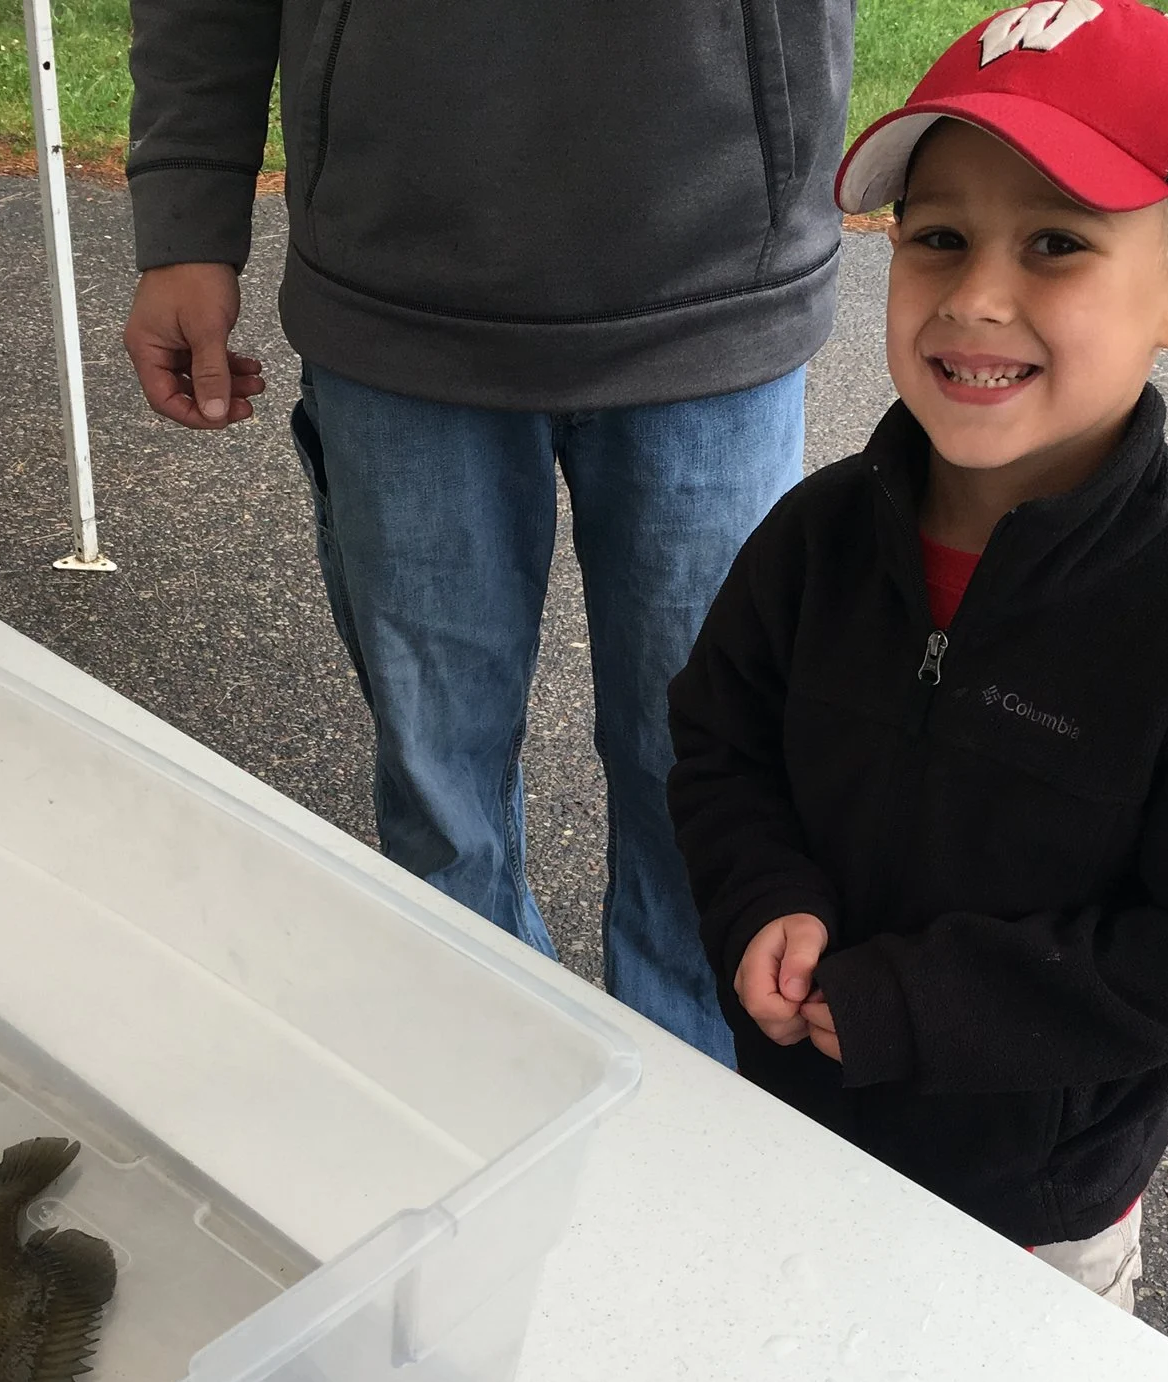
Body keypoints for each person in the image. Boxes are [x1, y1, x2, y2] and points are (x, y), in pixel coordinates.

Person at [665, 0, 1168, 1311]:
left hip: (1032, 1215)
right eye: (936, 237)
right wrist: (762, 895)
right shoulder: (814, 542)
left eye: (1055, 243)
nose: (975, 297)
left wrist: (932, 1005)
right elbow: (719, 743)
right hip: (790, 1135)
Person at [119, 1, 854, 1060]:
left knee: (710, 788)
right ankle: (489, 1092)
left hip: (719, 268)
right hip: (396, 288)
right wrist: (188, 211)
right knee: (443, 799)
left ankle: (695, 1127)